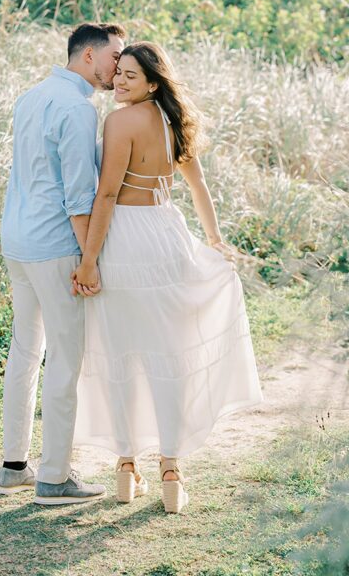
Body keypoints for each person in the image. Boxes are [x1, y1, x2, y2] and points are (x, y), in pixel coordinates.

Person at [71, 41, 264, 514]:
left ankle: (125, 465)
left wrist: (89, 259)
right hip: (168, 235)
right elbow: (197, 184)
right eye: (120, 74)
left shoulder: (119, 121)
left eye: (131, 77)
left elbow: (109, 193)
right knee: (167, 354)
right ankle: (171, 469)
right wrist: (213, 239)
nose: (119, 81)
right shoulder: (172, 121)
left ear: (153, 82)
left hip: (127, 242)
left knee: (121, 352)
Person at [0, 22, 126, 505]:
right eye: (115, 56)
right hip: (54, 245)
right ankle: (54, 477)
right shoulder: (76, 108)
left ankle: (13, 466)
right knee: (66, 359)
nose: (118, 66)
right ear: (88, 56)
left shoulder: (31, 97)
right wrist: (87, 260)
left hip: (17, 240)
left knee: (26, 351)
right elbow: (78, 196)